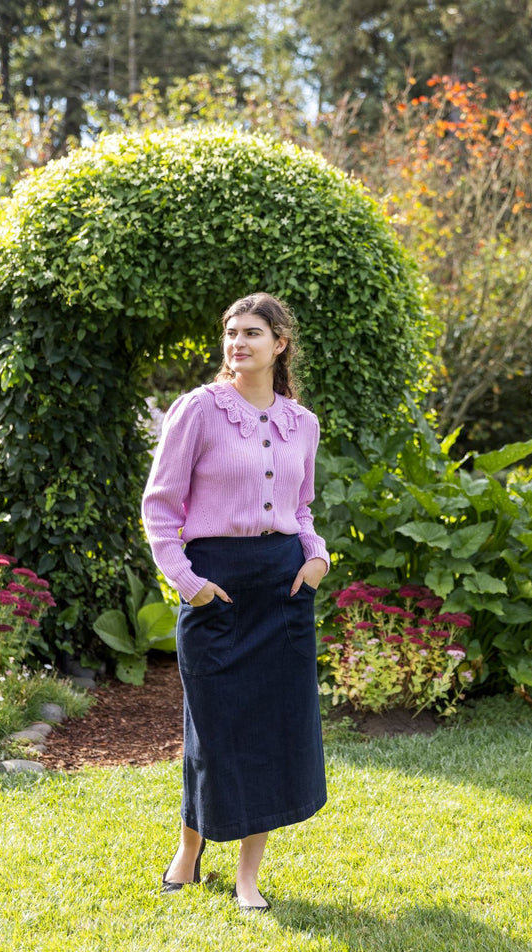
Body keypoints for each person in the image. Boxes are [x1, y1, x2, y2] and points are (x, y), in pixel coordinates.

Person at [141, 292, 329, 913]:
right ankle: (190, 850)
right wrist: (186, 582)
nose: (237, 343)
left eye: (251, 332)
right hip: (214, 583)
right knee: (215, 731)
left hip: (283, 586)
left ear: (280, 344)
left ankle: (248, 875)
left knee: (271, 733)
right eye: (230, 332)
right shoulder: (198, 410)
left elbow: (300, 509)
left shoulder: (302, 422)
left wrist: (317, 557)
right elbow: (161, 508)